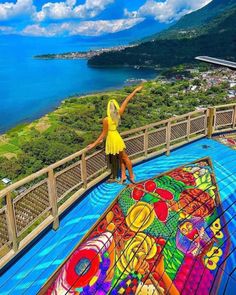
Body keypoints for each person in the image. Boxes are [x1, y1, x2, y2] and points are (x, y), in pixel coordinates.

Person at [87, 85, 143, 183]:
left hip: (112, 139)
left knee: (124, 157)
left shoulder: (106, 120)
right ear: (116, 107)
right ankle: (123, 176)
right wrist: (135, 90)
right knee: (121, 158)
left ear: (108, 109)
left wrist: (93, 145)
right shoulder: (119, 113)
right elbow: (127, 100)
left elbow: (103, 134)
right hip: (116, 137)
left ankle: (132, 175)